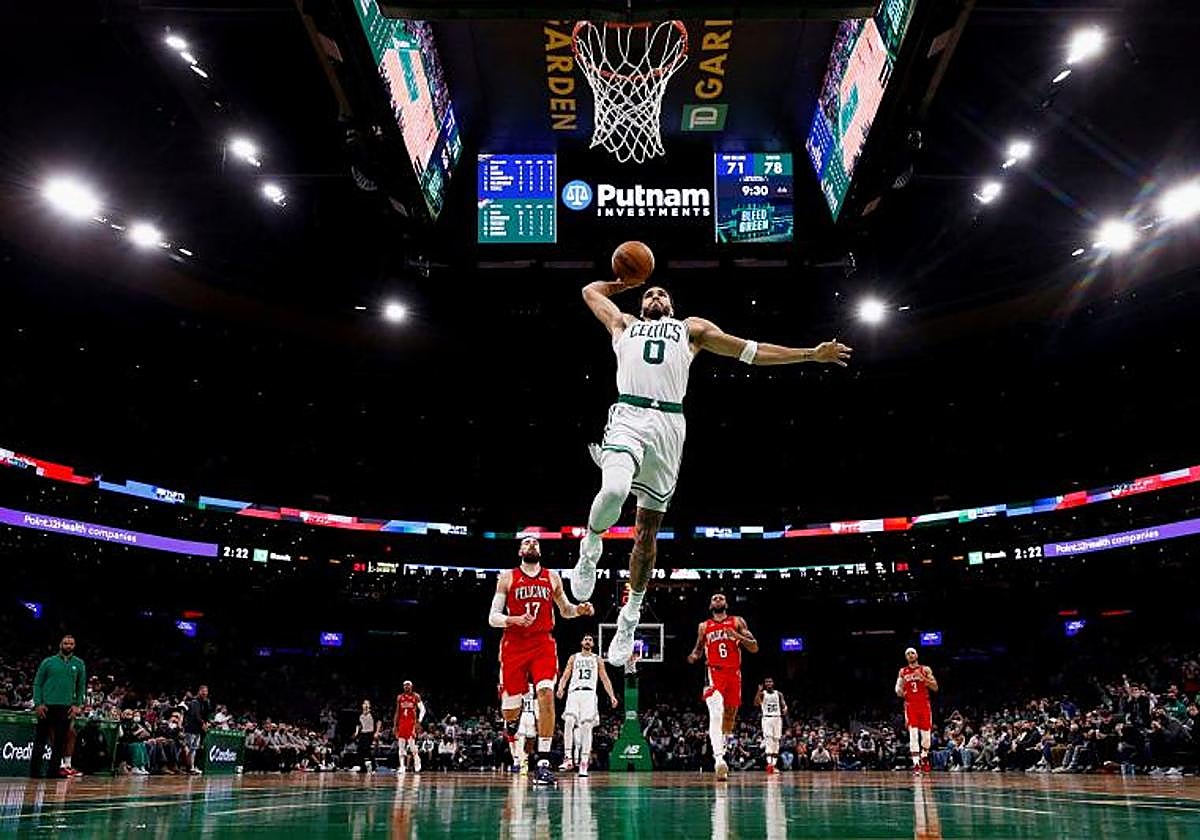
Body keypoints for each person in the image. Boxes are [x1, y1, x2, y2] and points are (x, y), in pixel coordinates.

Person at [570, 274, 852, 665]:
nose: (654, 295)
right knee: (615, 490)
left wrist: (810, 354)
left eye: (661, 293)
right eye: (649, 292)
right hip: (629, 414)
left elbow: (750, 351)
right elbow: (589, 291)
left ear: (671, 306)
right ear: (640, 303)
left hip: (669, 427)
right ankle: (590, 549)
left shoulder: (692, 329)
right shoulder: (623, 324)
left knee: (647, 531)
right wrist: (625, 280)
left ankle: (630, 616)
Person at [488, 536, 593, 786]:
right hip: (513, 645)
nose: (532, 544)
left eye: (535, 542)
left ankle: (543, 762)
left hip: (542, 643)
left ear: (541, 551)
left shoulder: (552, 577)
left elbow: (565, 609)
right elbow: (493, 617)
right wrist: (513, 619)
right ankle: (511, 723)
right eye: (526, 542)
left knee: (545, 693)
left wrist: (579, 610)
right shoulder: (507, 577)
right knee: (510, 709)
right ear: (520, 551)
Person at [687, 592, 759, 780]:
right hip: (714, 672)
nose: (717, 599)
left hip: (734, 673)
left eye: (721, 598)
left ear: (726, 603)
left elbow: (754, 647)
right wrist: (693, 657)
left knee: (730, 715)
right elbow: (698, 649)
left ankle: (724, 742)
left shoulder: (737, 622)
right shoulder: (704, 626)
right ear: (710, 605)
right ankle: (719, 760)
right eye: (714, 598)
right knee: (716, 713)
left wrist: (735, 635)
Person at [556, 633, 618, 777]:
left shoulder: (597, 659)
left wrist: (612, 696)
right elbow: (565, 674)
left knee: (586, 727)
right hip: (574, 692)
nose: (588, 641)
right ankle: (568, 758)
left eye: (590, 640)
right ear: (581, 642)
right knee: (569, 721)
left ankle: (584, 763)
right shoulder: (574, 657)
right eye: (586, 639)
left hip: (589, 694)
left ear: (593, 644)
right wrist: (561, 688)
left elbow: (605, 679)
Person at [30, 635, 86, 779]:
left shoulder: (79, 664)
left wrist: (77, 705)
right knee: (40, 741)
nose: (68, 646)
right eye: (66, 643)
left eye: (71, 644)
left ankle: (53, 772)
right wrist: (38, 703)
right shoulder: (48, 662)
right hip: (46, 706)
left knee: (60, 742)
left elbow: (81, 686)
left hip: (66, 707)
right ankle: (34, 773)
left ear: (74, 646)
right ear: (60, 644)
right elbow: (37, 683)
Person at [896, 647, 938, 775]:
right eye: (907, 653)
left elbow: (935, 687)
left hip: (924, 705)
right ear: (906, 657)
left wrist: (923, 680)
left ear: (917, 655)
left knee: (926, 738)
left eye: (912, 653)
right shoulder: (903, 671)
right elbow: (898, 689)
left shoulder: (925, 669)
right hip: (911, 706)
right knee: (913, 735)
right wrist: (901, 692)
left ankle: (924, 756)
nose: (910, 655)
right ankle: (916, 764)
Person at [754, 677, 787, 774]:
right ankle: (769, 764)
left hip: (777, 718)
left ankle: (774, 765)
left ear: (773, 683)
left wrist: (785, 708)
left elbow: (783, 704)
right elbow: (756, 703)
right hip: (767, 718)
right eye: (767, 682)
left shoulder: (779, 694)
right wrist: (758, 691)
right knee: (769, 740)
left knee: (776, 741)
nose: (768, 683)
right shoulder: (762, 694)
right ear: (765, 684)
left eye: (770, 682)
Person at [393, 680, 426, 773]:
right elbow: (397, 712)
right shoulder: (400, 697)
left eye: (408, 685)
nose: (406, 687)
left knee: (412, 746)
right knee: (401, 746)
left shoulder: (416, 696)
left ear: (411, 686)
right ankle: (402, 766)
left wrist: (419, 721)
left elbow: (423, 709)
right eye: (405, 685)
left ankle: (417, 762)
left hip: (411, 724)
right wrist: (395, 725)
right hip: (402, 724)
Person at [183, 684, 211, 775]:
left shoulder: (205, 702)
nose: (204, 693)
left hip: (198, 730)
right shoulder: (194, 702)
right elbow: (196, 715)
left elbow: (206, 715)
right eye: (203, 691)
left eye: (206, 691)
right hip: (191, 728)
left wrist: (206, 723)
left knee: (194, 749)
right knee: (189, 747)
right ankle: (187, 767)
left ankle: (192, 767)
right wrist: (203, 723)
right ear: (199, 691)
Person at [352, 699, 378, 773]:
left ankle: (373, 767)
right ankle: (362, 767)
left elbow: (378, 722)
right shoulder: (360, 714)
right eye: (364, 703)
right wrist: (356, 732)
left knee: (367, 750)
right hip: (363, 733)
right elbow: (358, 724)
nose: (365, 705)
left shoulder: (373, 713)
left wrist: (377, 732)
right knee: (360, 750)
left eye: (367, 704)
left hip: (370, 733)